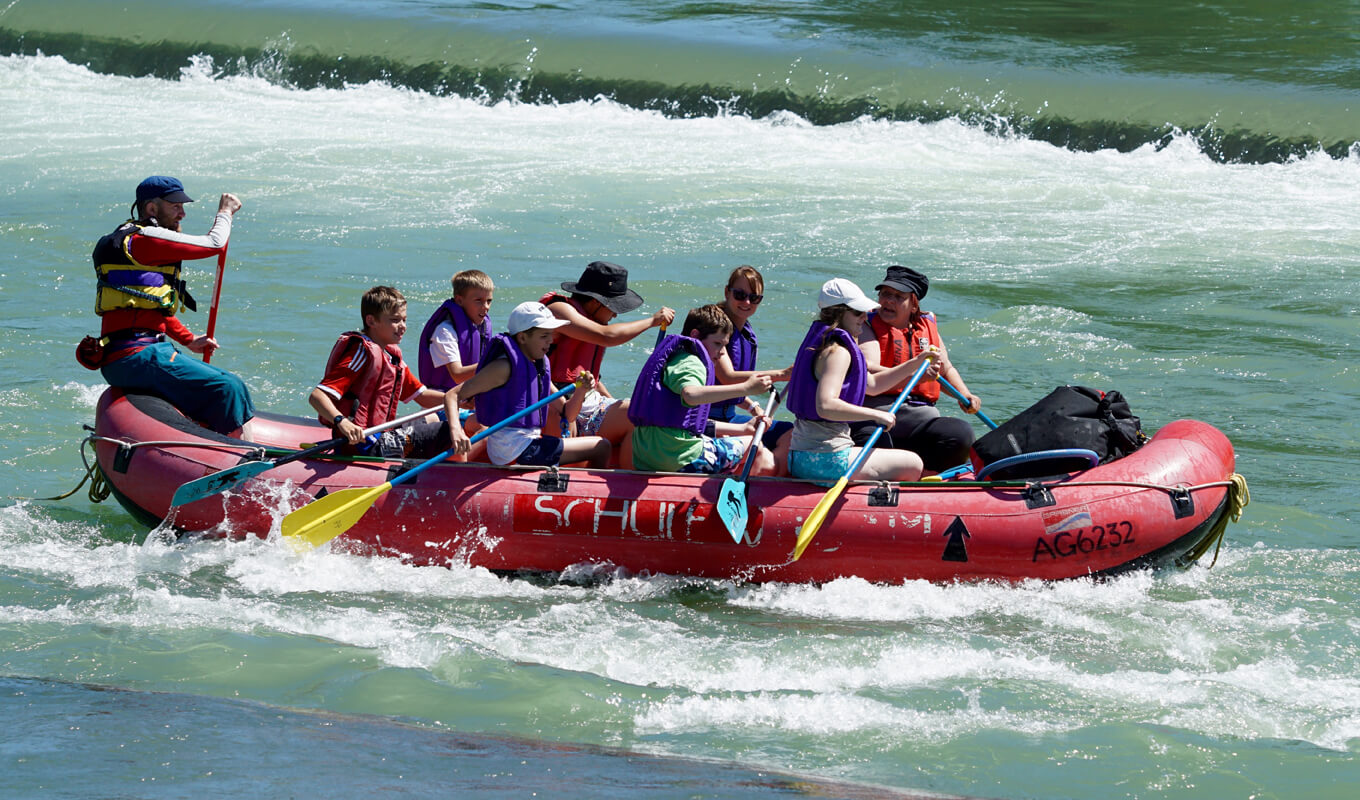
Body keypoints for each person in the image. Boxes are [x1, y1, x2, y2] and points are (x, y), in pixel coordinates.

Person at [90, 175, 254, 435]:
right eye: (175, 206)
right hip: (138, 356)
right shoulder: (145, 240)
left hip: (126, 357)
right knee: (229, 387)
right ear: (152, 208)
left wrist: (188, 340)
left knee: (216, 387)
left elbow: (150, 307)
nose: (182, 213)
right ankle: (235, 458)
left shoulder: (129, 240)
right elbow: (214, 244)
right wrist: (225, 212)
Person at [785, 278, 939, 482]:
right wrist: (876, 415)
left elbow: (873, 386)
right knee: (914, 464)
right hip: (825, 459)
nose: (865, 317)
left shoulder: (823, 343)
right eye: (858, 312)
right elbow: (825, 405)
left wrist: (915, 363)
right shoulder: (838, 352)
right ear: (838, 313)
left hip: (799, 458)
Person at [445, 301, 610, 468]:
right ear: (523, 337)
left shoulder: (536, 367)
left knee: (597, 446)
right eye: (544, 336)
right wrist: (456, 430)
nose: (550, 341)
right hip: (515, 451)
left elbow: (567, 413)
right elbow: (453, 395)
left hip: (528, 445)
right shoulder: (504, 367)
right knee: (602, 446)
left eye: (551, 335)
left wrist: (581, 391)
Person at [855, 266, 981, 473]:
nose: (888, 301)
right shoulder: (866, 325)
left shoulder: (926, 327)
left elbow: (945, 368)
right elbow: (870, 371)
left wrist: (964, 394)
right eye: (885, 294)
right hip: (879, 416)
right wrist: (915, 377)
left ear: (913, 305)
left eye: (898, 296)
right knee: (871, 437)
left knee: (961, 434)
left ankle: (927, 479)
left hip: (921, 422)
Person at [628, 304, 775, 475]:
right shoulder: (692, 363)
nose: (721, 353)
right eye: (717, 343)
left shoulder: (675, 357)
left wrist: (742, 428)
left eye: (725, 345)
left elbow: (686, 423)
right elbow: (691, 394)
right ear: (695, 335)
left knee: (729, 438)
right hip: (676, 457)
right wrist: (745, 388)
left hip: (646, 455)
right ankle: (735, 497)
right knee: (753, 444)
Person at [539, 261, 675, 443]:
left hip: (587, 401)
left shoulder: (594, 320)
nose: (615, 315)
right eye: (614, 307)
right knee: (637, 415)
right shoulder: (558, 311)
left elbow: (593, 380)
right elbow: (606, 337)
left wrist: (614, 402)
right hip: (558, 404)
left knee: (641, 412)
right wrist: (651, 321)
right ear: (596, 302)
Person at [309, 286, 448, 458]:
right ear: (371, 321)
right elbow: (317, 396)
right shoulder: (361, 354)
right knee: (448, 432)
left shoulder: (391, 357)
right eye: (395, 320)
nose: (403, 326)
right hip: (363, 444)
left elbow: (421, 396)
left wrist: (461, 399)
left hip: (382, 433)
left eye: (404, 320)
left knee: (432, 418)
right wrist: (341, 422)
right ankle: (452, 478)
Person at [417, 269, 494, 391]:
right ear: (459, 300)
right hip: (442, 401)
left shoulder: (479, 328)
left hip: (467, 397)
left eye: (489, 301)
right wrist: (494, 363)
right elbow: (457, 375)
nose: (486, 307)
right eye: (478, 301)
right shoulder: (445, 332)